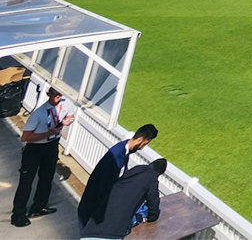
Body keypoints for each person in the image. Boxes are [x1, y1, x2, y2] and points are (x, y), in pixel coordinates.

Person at [11, 86, 74, 227]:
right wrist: (49, 133)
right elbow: (25, 137)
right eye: (55, 94)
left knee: (46, 178)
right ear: (48, 94)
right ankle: (18, 214)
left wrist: (63, 123)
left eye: (60, 94)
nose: (58, 97)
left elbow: (69, 116)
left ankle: (39, 206)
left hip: (51, 146)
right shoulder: (39, 114)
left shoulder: (65, 105)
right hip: (35, 149)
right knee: (26, 181)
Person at [77, 124, 159, 231]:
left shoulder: (122, 151)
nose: (142, 148)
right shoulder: (116, 157)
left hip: (95, 208)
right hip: (93, 210)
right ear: (139, 140)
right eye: (144, 144)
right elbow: (104, 187)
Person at [79, 158, 167, 240]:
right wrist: (153, 216)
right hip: (113, 231)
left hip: (93, 226)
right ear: (159, 173)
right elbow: (153, 201)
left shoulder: (134, 171)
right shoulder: (151, 179)